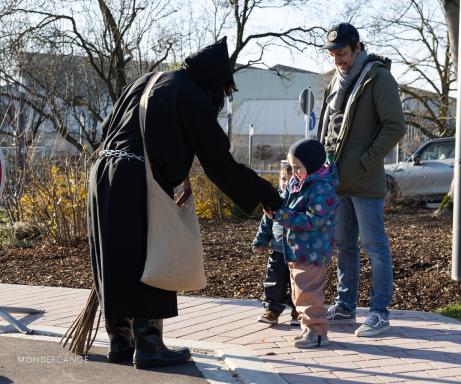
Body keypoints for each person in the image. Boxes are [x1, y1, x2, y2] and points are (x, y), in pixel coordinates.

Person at [88, 37, 282, 369]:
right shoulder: (190, 94)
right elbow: (219, 163)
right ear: (214, 83)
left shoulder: (146, 80)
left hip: (103, 172)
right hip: (136, 178)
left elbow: (109, 127)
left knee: (117, 259)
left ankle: (121, 344)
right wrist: (266, 193)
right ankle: (149, 347)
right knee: (151, 253)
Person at [317, 23, 406, 337]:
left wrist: (366, 160)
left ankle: (380, 313)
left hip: (365, 180)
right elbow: (326, 129)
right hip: (334, 179)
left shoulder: (378, 77)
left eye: (341, 53)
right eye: (332, 55)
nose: (337, 60)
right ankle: (344, 308)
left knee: (375, 247)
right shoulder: (334, 82)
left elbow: (395, 126)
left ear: (356, 47)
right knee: (344, 247)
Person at [270, 138, 338, 348]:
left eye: (298, 167)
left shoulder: (322, 188)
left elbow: (312, 220)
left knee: (309, 294)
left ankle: (318, 333)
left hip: (313, 252)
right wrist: (274, 206)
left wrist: (281, 216)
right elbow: (285, 203)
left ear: (311, 165)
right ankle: (308, 328)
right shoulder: (298, 182)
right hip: (297, 250)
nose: (294, 172)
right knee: (300, 293)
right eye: (292, 168)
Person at [252, 163, 299, 325]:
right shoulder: (274, 201)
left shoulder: (299, 201)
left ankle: (297, 310)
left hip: (297, 252)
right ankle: (272, 310)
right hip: (277, 251)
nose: (286, 182)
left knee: (297, 282)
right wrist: (260, 242)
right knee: (274, 281)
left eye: (291, 179)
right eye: (283, 179)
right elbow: (265, 224)